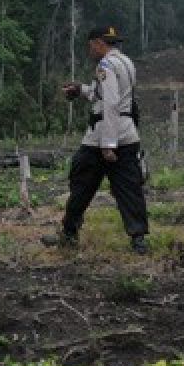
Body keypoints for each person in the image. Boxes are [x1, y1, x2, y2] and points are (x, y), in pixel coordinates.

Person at [43, 26, 150, 254]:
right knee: (129, 188)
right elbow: (106, 94)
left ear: (99, 43)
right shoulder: (126, 63)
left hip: (102, 137)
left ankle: (70, 233)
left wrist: (108, 145)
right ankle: (139, 239)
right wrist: (81, 90)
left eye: (91, 45)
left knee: (80, 183)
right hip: (128, 133)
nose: (90, 50)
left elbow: (110, 103)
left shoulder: (105, 66)